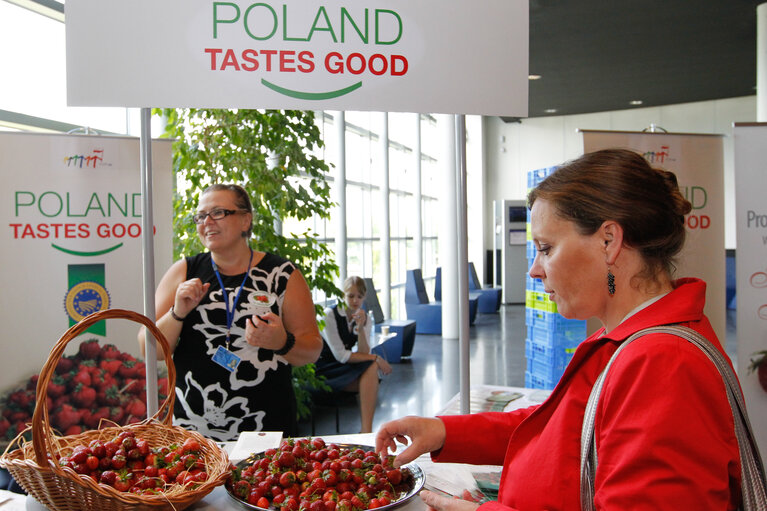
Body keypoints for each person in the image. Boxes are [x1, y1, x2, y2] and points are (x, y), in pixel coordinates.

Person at [376, 149, 744, 510]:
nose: (535, 270)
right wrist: (444, 432)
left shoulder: (664, 364)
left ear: (608, 241)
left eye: (546, 248)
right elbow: (561, 431)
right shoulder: (628, 340)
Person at [138, 183, 322, 441]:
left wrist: (282, 342)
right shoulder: (184, 272)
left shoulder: (281, 274)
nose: (207, 222)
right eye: (201, 216)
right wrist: (177, 313)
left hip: (264, 426)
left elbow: (312, 349)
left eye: (218, 212)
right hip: (193, 430)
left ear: (246, 220)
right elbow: (149, 350)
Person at [315, 276, 392, 433]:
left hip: (344, 366)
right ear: (343, 295)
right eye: (351, 296)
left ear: (364, 297)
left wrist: (361, 327)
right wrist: (376, 358)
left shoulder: (364, 318)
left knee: (370, 368)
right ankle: (366, 432)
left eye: (359, 296)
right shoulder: (329, 314)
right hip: (325, 369)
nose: (355, 300)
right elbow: (341, 355)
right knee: (371, 370)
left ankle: (366, 430)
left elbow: (364, 353)